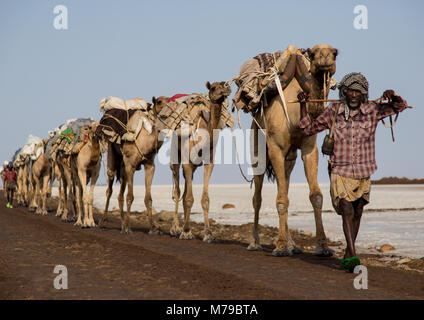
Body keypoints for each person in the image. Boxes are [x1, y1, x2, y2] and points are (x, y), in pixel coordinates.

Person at [297, 72, 408, 272]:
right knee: (347, 210)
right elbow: (308, 129)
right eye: (350, 90)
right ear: (344, 92)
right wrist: (303, 106)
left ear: (364, 94)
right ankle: (353, 254)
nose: (354, 94)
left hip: (364, 169)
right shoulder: (334, 110)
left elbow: (399, 107)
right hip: (340, 169)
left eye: (358, 91)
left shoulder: (373, 110)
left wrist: (393, 96)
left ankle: (348, 254)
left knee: (357, 212)